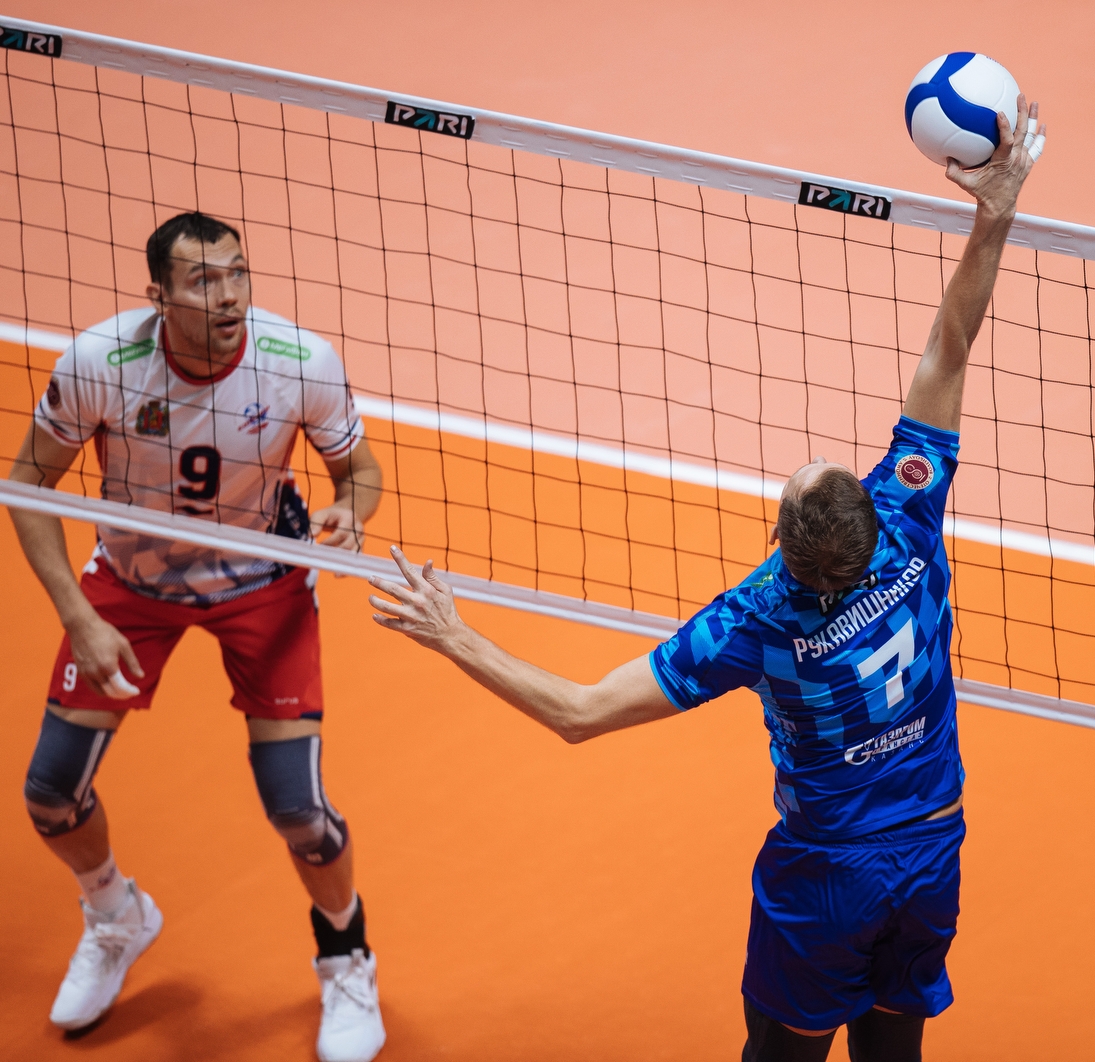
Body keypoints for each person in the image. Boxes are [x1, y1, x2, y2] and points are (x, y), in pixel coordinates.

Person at [368, 97, 1045, 1061]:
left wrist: (452, 633)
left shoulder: (752, 625)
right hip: (935, 847)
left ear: (782, 543)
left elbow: (578, 712)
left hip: (827, 877)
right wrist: (996, 210)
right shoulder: (908, 518)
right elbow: (952, 344)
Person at [10, 212, 388, 1062]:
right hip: (132, 582)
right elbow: (28, 485)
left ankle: (345, 954)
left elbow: (358, 473)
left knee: (297, 809)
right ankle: (116, 915)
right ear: (160, 296)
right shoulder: (101, 362)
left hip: (263, 582)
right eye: (203, 281)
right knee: (49, 794)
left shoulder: (299, 363)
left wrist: (350, 513)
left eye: (237, 275)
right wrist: (79, 615)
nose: (228, 296)